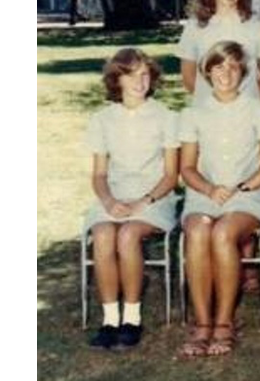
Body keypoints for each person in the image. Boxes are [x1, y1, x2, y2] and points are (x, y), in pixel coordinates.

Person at [178, 41, 260, 358]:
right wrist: (209, 190)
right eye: (219, 66)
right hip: (203, 195)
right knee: (197, 231)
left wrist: (243, 187)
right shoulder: (193, 113)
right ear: (207, 72)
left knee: (222, 234)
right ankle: (202, 322)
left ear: (244, 73)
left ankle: (224, 321)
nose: (226, 73)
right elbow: (187, 167)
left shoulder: (259, 110)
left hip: (247, 196)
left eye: (234, 66)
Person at [83, 49, 179, 350]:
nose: (140, 81)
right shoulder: (102, 119)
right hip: (114, 195)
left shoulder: (166, 116)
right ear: (117, 79)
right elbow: (99, 175)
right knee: (102, 235)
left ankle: (132, 318)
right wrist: (109, 202)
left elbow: (171, 175)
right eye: (131, 74)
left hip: (154, 197)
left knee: (127, 236)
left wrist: (144, 201)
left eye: (145, 74)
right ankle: (110, 319)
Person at [177, 0, 260, 107]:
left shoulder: (256, 25)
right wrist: (216, 105)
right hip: (207, 112)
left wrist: (251, 104)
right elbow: (188, 77)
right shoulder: (195, 26)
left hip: (246, 112)